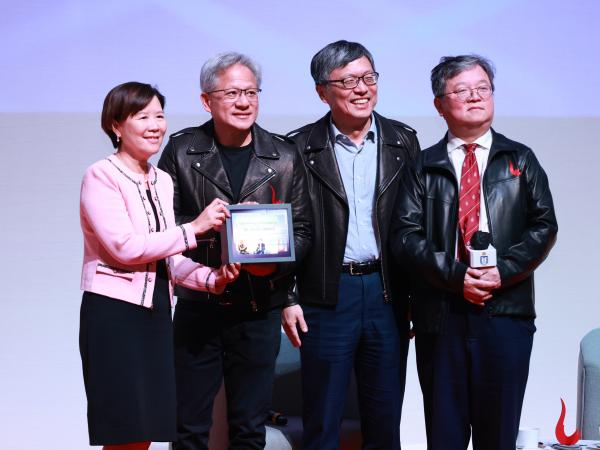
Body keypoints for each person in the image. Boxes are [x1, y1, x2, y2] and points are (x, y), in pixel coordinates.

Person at [390, 55, 558, 450]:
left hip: (506, 312)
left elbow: (544, 226)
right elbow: (405, 236)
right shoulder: (422, 165)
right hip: (442, 315)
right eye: (462, 90)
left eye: (483, 88)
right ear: (439, 104)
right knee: (445, 436)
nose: (475, 97)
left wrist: (504, 271)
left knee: (498, 436)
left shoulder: (520, 158)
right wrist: (456, 276)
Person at [157, 52, 311, 450]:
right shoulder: (182, 151)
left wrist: (271, 263)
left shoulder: (285, 155)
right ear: (207, 100)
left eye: (251, 92)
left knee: (249, 427)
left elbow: (304, 230)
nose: (244, 102)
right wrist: (216, 236)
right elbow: (165, 226)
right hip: (199, 304)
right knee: (188, 426)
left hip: (259, 306)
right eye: (232, 93)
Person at [79, 82, 240, 450]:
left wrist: (211, 278)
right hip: (114, 313)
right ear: (116, 126)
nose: (155, 125)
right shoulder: (100, 175)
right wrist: (194, 228)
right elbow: (125, 247)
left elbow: (168, 258)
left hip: (155, 312)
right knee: (123, 430)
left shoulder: (162, 180)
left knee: (146, 430)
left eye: (159, 116)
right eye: (142, 117)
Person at [282, 40, 420, 450]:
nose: (362, 89)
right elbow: (288, 228)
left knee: (383, 416)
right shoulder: (297, 148)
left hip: (386, 293)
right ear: (322, 91)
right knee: (322, 418)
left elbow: (417, 225)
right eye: (348, 81)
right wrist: (288, 294)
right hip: (326, 293)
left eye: (368, 78)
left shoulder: (403, 142)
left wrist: (417, 294)